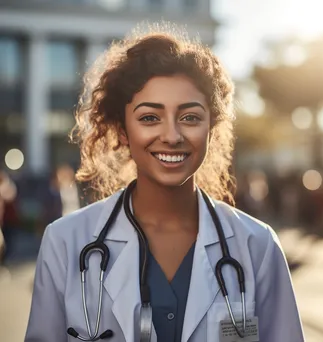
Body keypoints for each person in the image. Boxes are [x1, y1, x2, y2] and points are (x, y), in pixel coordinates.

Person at [25, 23, 304, 342]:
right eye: (149, 118)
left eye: (190, 117)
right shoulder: (65, 242)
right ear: (121, 130)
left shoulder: (258, 246)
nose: (171, 136)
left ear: (211, 129)